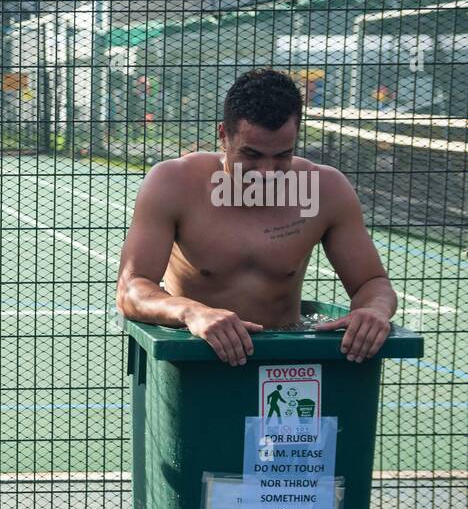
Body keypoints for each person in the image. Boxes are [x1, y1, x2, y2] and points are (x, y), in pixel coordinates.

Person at [116, 68, 397, 365]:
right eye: (251, 155)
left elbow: (373, 282)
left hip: (284, 357)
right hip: (196, 355)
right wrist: (191, 312)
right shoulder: (173, 182)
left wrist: (373, 310)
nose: (266, 173)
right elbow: (131, 290)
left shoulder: (325, 188)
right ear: (224, 136)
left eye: (282, 156)